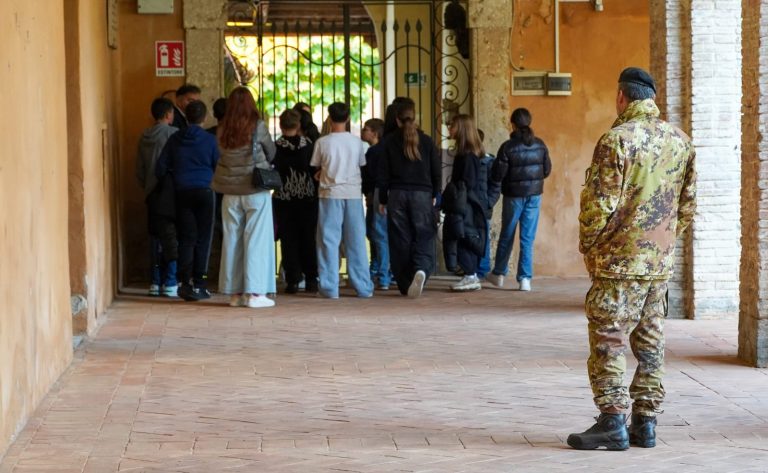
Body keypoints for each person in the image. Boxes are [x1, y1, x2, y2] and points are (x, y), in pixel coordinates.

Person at [567, 67, 696, 451]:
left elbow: (598, 207)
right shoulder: (681, 142)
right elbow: (687, 208)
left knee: (609, 339)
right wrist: (661, 247)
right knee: (650, 341)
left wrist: (590, 247)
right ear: (651, 98)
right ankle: (645, 423)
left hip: (617, 266)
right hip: (657, 266)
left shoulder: (616, 140)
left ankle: (611, 421)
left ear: (622, 97)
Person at [212, 87, 277, 308]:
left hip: (230, 191)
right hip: (254, 189)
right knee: (256, 239)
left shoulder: (222, 129)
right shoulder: (257, 126)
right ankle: (255, 293)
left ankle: (235, 293)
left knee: (232, 240)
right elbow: (271, 151)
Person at [156, 100, 219, 301]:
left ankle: (185, 283)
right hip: (205, 191)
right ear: (205, 118)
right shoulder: (210, 140)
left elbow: (160, 167)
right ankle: (199, 284)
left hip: (182, 192)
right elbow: (218, 165)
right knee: (204, 238)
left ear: (185, 115)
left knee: (187, 238)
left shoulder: (175, 139)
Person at [310, 102, 374, 299]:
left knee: (328, 240)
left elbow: (316, 165)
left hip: (329, 194)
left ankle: (330, 287)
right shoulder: (357, 143)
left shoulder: (322, 142)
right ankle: (363, 286)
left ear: (329, 118)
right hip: (353, 194)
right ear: (348, 118)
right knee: (356, 241)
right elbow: (361, 165)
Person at [377, 101, 441, 297]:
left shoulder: (388, 141)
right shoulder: (427, 141)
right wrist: (435, 194)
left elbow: (383, 173)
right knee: (423, 234)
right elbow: (436, 171)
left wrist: (382, 198)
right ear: (415, 118)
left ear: (397, 120)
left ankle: (405, 283)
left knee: (400, 239)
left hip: (397, 194)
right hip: (422, 195)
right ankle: (421, 269)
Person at [485, 108, 551, 291]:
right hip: (534, 196)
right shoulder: (540, 144)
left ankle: (498, 274)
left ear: (512, 124)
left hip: (513, 196)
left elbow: (498, 174)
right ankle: (525, 280)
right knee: (527, 237)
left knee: (507, 233)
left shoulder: (507, 147)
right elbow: (546, 170)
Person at [136, 97, 179, 297]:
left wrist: (147, 186)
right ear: (169, 114)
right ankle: (170, 281)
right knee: (171, 236)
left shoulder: (144, 136)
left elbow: (139, 170)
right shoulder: (173, 134)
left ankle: (155, 281)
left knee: (154, 237)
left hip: (151, 193)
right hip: (170, 193)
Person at [272, 109, 319, 294]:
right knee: (308, 238)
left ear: (281, 125)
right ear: (298, 125)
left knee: (288, 239)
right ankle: (311, 279)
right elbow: (314, 167)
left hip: (284, 198)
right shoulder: (308, 145)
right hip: (306, 198)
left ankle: (292, 280)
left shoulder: (276, 146)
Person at [444, 114, 487, 292]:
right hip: (464, 202)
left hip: (465, 204)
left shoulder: (468, 156)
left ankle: (470, 274)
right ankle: (469, 274)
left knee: (463, 236)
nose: (449, 129)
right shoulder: (466, 154)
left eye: (452, 125)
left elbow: (467, 182)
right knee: (461, 235)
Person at [361, 118, 390, 290]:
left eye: (366, 129)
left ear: (375, 133)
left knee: (378, 234)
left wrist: (370, 192)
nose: (363, 132)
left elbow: (371, 175)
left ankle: (382, 273)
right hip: (377, 194)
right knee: (375, 232)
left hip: (377, 195)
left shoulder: (375, 152)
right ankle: (379, 267)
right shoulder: (378, 150)